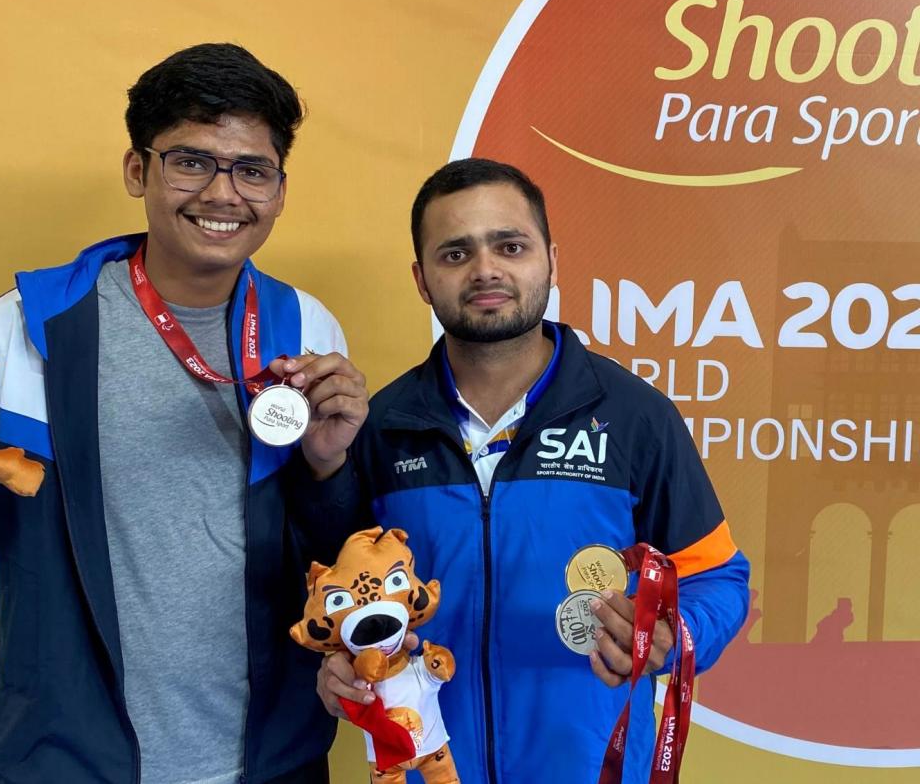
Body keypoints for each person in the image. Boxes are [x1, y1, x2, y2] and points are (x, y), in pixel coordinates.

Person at [0, 43, 370, 784]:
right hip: (66, 763)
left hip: (269, 763)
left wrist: (329, 466)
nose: (224, 193)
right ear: (137, 170)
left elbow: (340, 557)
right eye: (192, 160)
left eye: (252, 170)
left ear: (279, 191)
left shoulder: (305, 327)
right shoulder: (28, 327)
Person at [315, 158, 750, 783]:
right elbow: (337, 599)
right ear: (421, 278)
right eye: (455, 253)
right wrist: (336, 664)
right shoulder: (379, 428)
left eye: (510, 246)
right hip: (432, 769)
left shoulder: (634, 416)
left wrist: (673, 636)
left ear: (550, 259)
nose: (486, 269)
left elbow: (720, 578)